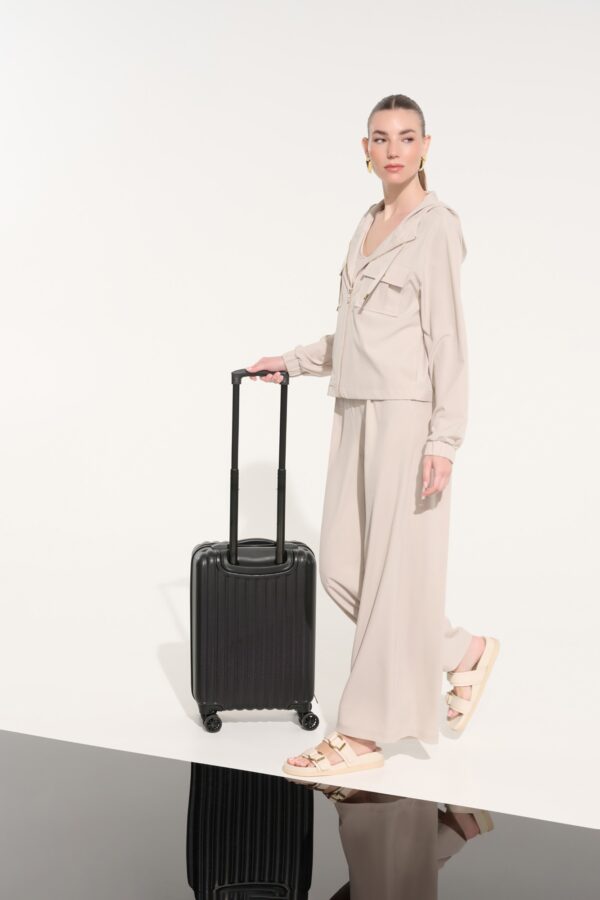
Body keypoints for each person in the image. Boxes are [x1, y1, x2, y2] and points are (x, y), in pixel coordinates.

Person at [247, 94, 500, 779]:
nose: (394, 149)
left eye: (407, 137)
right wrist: (292, 361)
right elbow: (353, 333)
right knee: (342, 568)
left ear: (425, 147)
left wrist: (444, 440)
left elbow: (447, 338)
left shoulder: (435, 228)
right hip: (353, 409)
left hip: (406, 416)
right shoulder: (366, 223)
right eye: (381, 138)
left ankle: (360, 735)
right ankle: (461, 651)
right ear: (365, 150)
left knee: (391, 575)